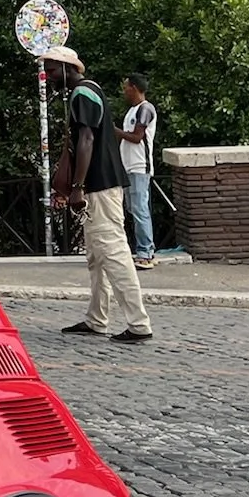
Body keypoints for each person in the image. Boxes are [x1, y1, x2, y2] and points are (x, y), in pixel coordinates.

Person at [47, 46, 154, 344]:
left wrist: (78, 186)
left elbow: (86, 138)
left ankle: (138, 323)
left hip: (99, 186)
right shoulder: (88, 91)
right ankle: (97, 318)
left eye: (53, 70)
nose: (49, 76)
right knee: (97, 257)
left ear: (67, 68)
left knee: (113, 251)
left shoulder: (81, 94)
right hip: (102, 184)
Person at [120, 74, 157, 267]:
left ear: (134, 88)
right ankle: (142, 249)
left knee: (140, 208)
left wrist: (113, 131)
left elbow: (136, 137)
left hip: (140, 166)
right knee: (133, 208)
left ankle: (146, 251)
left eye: (126, 87)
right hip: (129, 165)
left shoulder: (145, 109)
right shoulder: (132, 111)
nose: (124, 90)